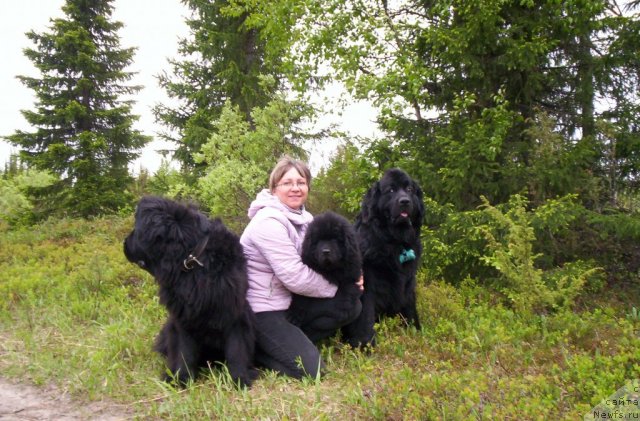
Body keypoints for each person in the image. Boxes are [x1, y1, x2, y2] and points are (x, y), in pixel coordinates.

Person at [240, 156, 363, 379]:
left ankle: (290, 342)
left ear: (308, 186)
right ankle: (259, 352)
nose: (295, 188)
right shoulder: (267, 222)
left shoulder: (305, 219)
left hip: (289, 303)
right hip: (262, 309)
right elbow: (295, 276)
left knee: (352, 307)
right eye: (287, 183)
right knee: (312, 371)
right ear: (274, 187)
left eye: (301, 182)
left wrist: (353, 277)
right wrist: (341, 288)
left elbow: (327, 260)